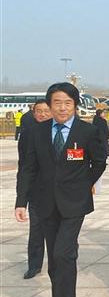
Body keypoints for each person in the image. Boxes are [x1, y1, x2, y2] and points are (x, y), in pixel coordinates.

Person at [15, 82, 107, 297]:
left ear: (75, 105)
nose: (62, 108)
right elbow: (27, 168)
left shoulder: (87, 131)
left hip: (74, 203)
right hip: (44, 203)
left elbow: (99, 161)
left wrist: (84, 184)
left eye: (68, 103)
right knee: (55, 258)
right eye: (57, 102)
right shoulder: (36, 131)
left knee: (64, 253)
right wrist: (21, 201)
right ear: (49, 105)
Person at [17, 99, 53, 279]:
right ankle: (34, 265)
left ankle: (61, 263)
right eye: (39, 111)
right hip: (37, 191)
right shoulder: (27, 134)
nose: (42, 114)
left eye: (46, 111)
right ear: (34, 112)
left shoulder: (62, 132)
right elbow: (23, 166)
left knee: (61, 233)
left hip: (60, 192)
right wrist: (21, 199)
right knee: (36, 230)